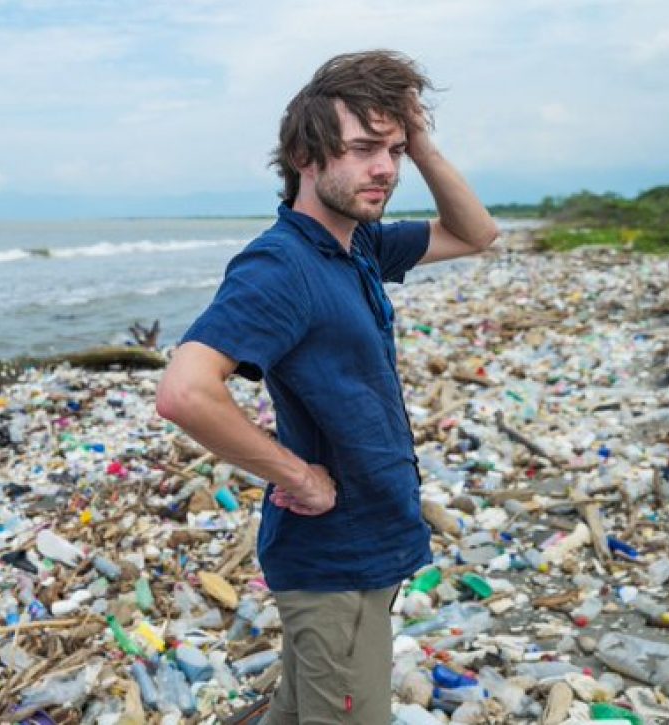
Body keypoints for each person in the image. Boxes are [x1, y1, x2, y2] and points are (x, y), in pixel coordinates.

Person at [155, 50, 499, 723]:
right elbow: (185, 391)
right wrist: (297, 474)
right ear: (305, 155)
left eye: (394, 150)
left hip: (375, 542)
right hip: (331, 560)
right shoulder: (279, 265)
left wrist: (422, 139)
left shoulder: (359, 243)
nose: (386, 169)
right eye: (367, 148)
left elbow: (475, 233)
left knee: (299, 706)